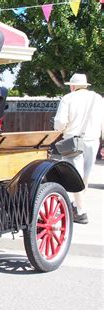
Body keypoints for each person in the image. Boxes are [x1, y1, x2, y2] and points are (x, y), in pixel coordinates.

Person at [54, 73, 104, 224]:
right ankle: (76, 205)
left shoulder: (68, 99)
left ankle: (81, 212)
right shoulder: (98, 99)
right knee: (85, 176)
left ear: (73, 86)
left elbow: (60, 122)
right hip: (93, 140)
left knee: (73, 175)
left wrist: (61, 130)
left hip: (72, 141)